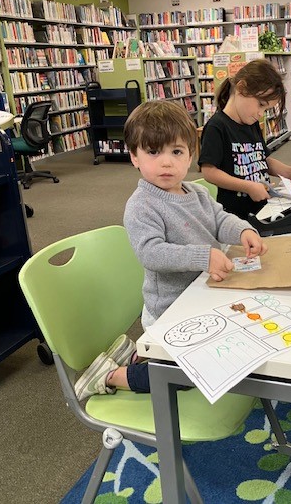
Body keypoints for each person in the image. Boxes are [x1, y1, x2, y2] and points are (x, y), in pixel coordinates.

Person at [74, 99, 267, 400]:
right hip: (170, 309)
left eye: (176, 152)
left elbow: (220, 219)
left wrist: (243, 230)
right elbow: (151, 253)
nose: (166, 162)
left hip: (203, 294)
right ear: (134, 157)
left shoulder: (197, 192)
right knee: (193, 372)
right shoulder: (142, 205)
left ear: (190, 156)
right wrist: (202, 256)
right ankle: (112, 375)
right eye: (153, 152)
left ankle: (138, 354)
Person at [198, 58, 291, 220]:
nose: (261, 114)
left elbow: (262, 160)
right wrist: (248, 187)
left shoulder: (251, 123)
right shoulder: (217, 127)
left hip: (263, 211)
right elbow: (209, 172)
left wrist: (289, 172)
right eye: (261, 105)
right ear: (241, 88)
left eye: (266, 109)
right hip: (236, 218)